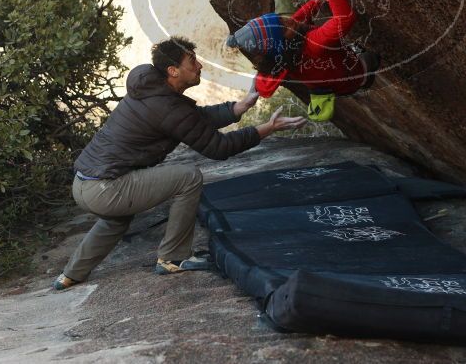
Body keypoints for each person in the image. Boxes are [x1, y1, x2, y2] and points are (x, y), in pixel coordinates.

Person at [53, 36, 307, 290]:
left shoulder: (152, 89)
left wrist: (239, 107)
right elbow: (219, 147)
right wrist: (266, 128)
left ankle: (71, 274)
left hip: (84, 185)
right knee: (188, 177)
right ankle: (173, 257)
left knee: (117, 218)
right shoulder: (165, 105)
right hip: (105, 189)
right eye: (192, 62)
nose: (199, 66)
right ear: (173, 71)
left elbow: (194, 118)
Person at [226, 0, 379, 104]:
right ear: (281, 42)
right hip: (354, 75)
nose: (288, 19)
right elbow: (346, 17)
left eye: (280, 19)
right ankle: (365, 71)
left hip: (333, 78)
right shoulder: (313, 46)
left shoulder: (283, 53)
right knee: (371, 57)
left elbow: (298, 18)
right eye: (284, 24)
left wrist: (317, 1)